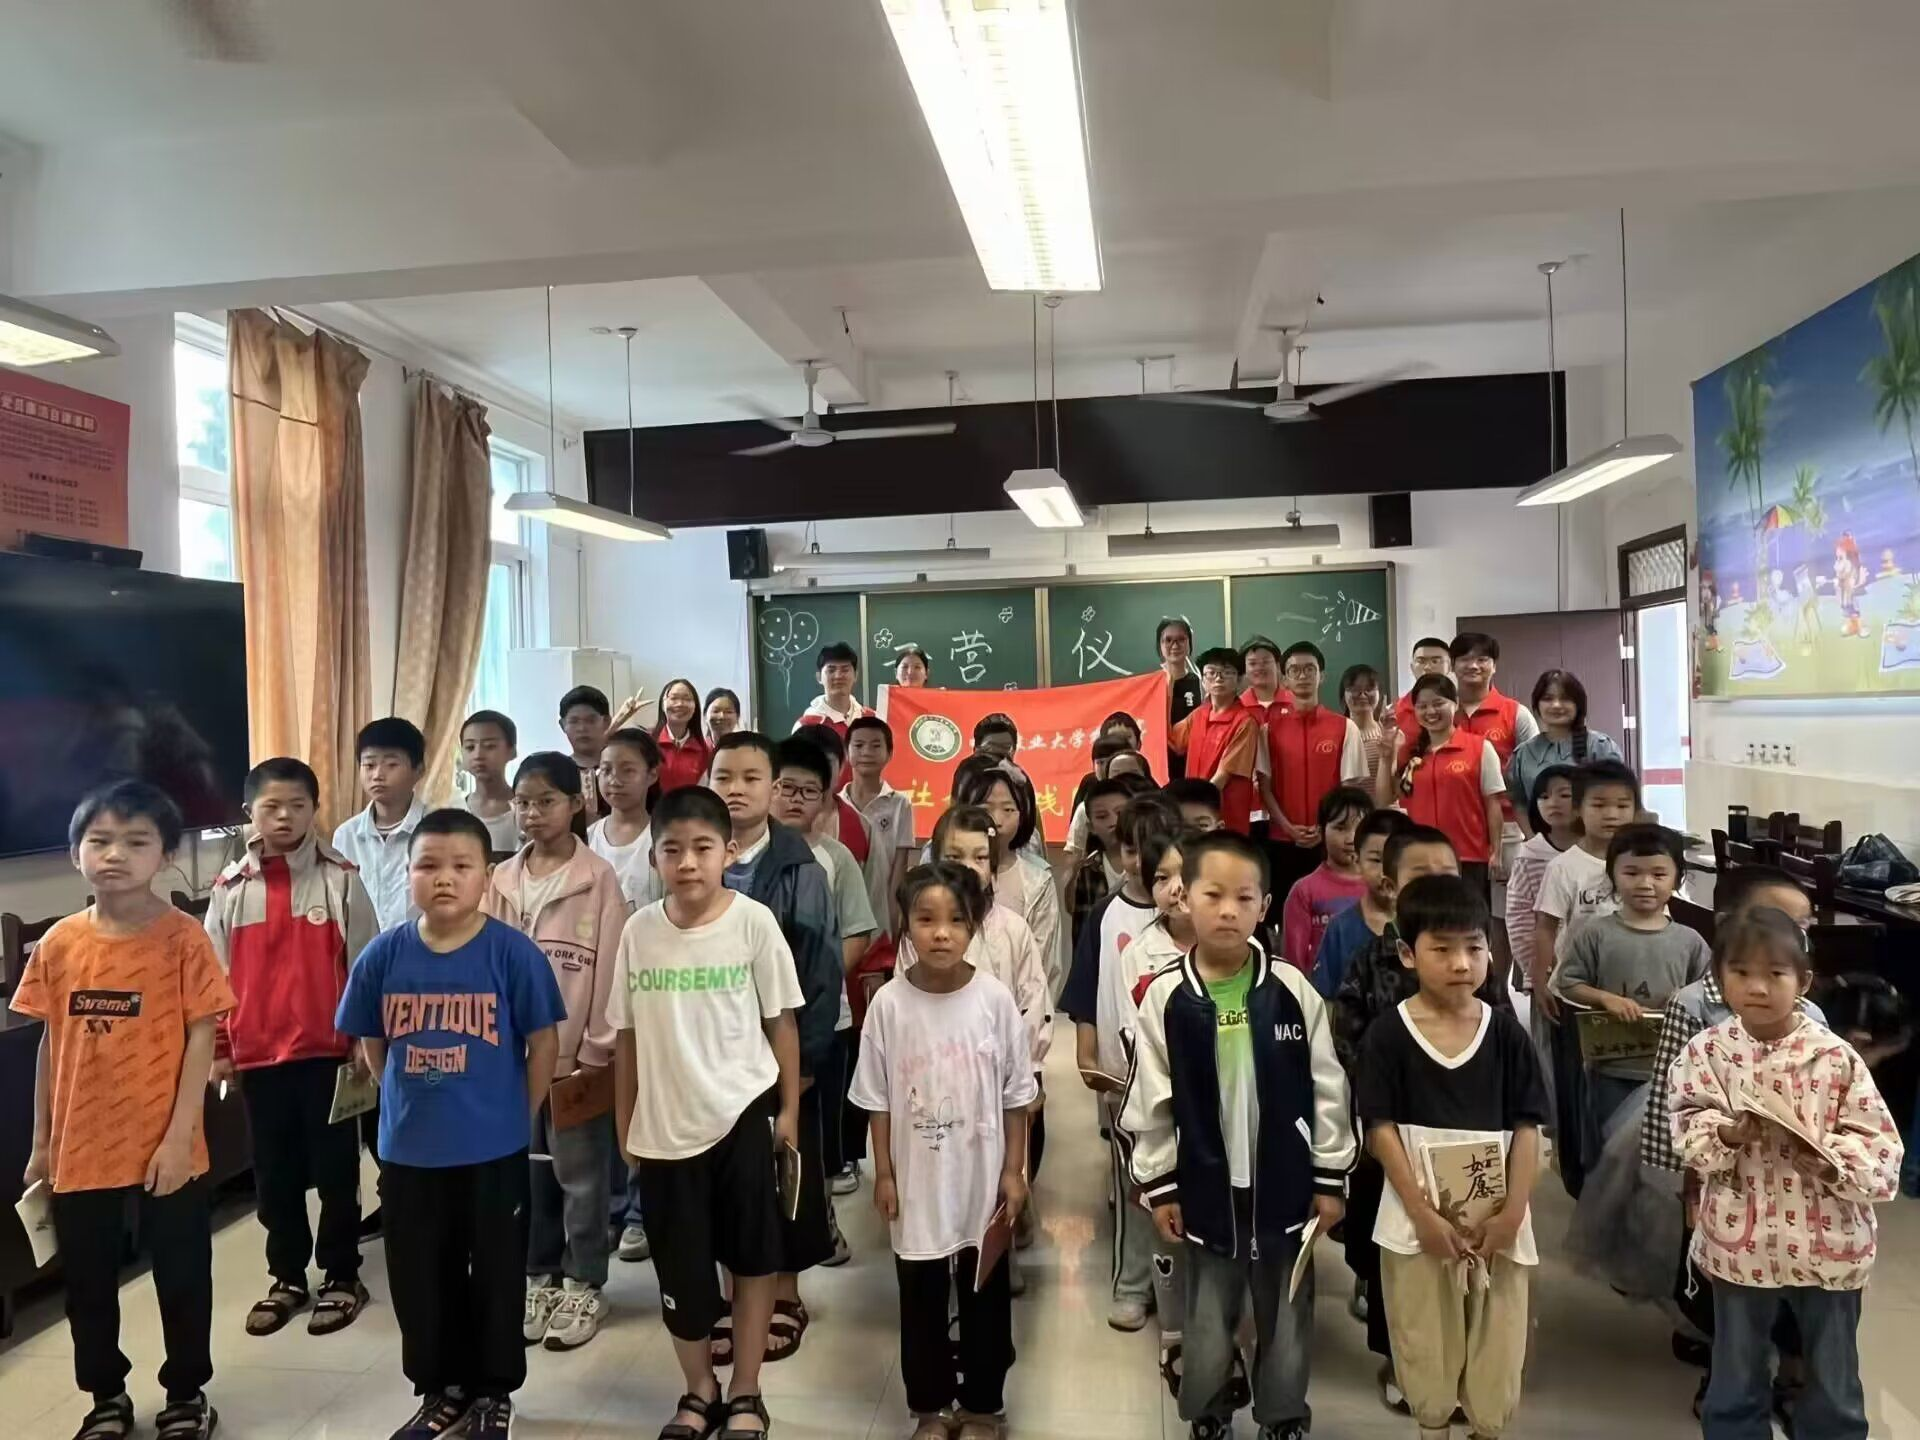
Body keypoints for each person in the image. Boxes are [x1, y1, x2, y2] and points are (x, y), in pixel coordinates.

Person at [334, 808, 566, 1440]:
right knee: (420, 1278)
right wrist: (399, 1100)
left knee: (495, 1273)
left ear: (487, 876)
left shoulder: (512, 954)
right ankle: (442, 1390)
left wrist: (520, 1113)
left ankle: (493, 1392)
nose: (444, 878)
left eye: (462, 866)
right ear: (406, 874)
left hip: (493, 1149)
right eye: (428, 865)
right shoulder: (384, 955)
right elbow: (373, 1043)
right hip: (410, 1152)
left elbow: (543, 1043)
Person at [14, 782, 236, 1440]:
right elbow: (50, 1044)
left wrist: (179, 1137)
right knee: (87, 1283)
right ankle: (105, 1396)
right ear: (74, 853)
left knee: (182, 1274)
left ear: (165, 856)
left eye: (136, 842)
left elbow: (203, 1035)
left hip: (168, 1143)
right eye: (100, 841)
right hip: (81, 1145)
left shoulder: (184, 939)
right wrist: (42, 1143)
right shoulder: (58, 944)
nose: (115, 854)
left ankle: (186, 1394)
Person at [1126, 831, 1354, 1440]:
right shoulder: (1168, 998)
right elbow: (1152, 1100)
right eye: (1213, 895)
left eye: (1244, 898)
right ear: (1184, 898)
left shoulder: (1292, 991)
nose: (1228, 910)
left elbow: (1329, 1088)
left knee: (1287, 1311)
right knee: (1206, 1314)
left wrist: (1328, 1177)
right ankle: (1208, 1409)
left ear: (1265, 905)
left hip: (1285, 1183)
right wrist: (1160, 1185)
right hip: (1205, 1185)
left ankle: (1283, 1415)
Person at [608, 785, 803, 1440]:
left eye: (702, 848)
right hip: (664, 1132)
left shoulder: (753, 923)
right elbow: (626, 1037)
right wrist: (625, 1123)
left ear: (730, 850)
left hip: (742, 1117)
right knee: (682, 1273)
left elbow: (781, 1024)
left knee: (752, 1262)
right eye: (672, 850)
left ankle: (746, 1389)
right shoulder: (639, 932)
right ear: (653, 857)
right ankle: (699, 1388)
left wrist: (789, 1113)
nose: (687, 862)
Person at [1671, 908, 1902, 1440]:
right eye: (1741, 972)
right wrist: (1728, 1133)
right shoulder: (1707, 1053)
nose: (1757, 987)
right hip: (1742, 1242)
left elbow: (1880, 1145)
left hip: (1828, 1240)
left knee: (1833, 1374)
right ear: (1720, 976)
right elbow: (1686, 1128)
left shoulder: (1836, 1058)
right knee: (1737, 1369)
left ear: (1804, 981)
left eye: (1775, 973)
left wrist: (1833, 1160)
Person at [1356, 874, 1549, 1440]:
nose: (1461, 963)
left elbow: (1528, 1127)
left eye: (1474, 947)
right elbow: (1380, 1130)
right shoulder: (1389, 1036)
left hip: (1499, 1224)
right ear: (1407, 954)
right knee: (1425, 1347)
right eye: (1442, 949)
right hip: (1417, 1225)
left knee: (1497, 1352)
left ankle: (1486, 1428)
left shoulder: (1506, 1036)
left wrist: (1512, 1213)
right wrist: (1421, 1214)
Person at [1331, 824, 1513, 1411]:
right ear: (1390, 884)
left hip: (1469, 1137)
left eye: (1446, 872)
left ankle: (1464, 1364)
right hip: (1394, 1136)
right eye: (1419, 873)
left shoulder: (1477, 964)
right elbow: (1347, 1037)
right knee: (1396, 1253)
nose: (1435, 882)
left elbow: (1503, 1039)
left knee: (1465, 1251)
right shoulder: (1371, 959)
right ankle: (1399, 1357)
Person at [851, 863, 1035, 1440]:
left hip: (982, 1180)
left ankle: (982, 1406)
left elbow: (1017, 1096)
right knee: (921, 1298)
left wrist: (1014, 1171)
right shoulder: (889, 1006)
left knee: (985, 1296)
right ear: (905, 924)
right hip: (917, 1183)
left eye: (956, 920)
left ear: (973, 926)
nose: (941, 933)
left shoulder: (994, 1000)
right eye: (926, 919)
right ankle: (930, 1408)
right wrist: (885, 1174)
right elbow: (877, 1101)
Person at [1640, 868, 1822, 1420]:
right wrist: (1683, 1183)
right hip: (1721, 1179)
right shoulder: (1695, 1005)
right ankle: (1725, 1375)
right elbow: (1670, 1100)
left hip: (1794, 1190)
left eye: (1802, 926)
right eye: (1777, 920)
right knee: (1724, 1287)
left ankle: (1792, 1375)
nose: (1790, 934)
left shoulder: (1811, 1015)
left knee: (1794, 1283)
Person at [206, 758, 378, 1340]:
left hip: (328, 1055)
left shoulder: (341, 878)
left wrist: (364, 1041)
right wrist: (221, 1049)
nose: (284, 817)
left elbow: (365, 966)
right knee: (274, 1176)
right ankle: (286, 1276)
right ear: (248, 812)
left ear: (314, 810)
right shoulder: (230, 889)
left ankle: (342, 1274)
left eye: (297, 806)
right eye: (271, 807)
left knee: (336, 1172)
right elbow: (213, 979)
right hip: (257, 1058)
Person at [482, 753, 628, 1352]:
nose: (533, 813)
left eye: (546, 801)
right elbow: (484, 965)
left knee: (582, 1177)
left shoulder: (598, 879)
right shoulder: (500, 879)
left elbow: (610, 969)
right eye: (523, 802)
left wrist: (595, 1049)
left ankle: (584, 1281)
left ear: (576, 803)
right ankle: (539, 1275)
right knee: (528, 1172)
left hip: (573, 1059)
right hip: (512, 1060)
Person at [707, 732, 844, 1360]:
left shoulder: (800, 867)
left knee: (785, 1173)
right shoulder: (697, 855)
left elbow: (821, 972)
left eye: (751, 778)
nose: (736, 789)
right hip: (714, 1055)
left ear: (772, 787)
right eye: (724, 776)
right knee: (726, 1175)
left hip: (782, 1054)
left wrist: (806, 1060)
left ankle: (784, 1293)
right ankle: (734, 1294)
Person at [1064, 794, 1181, 1331]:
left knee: (1181, 1187)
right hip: (1124, 1081)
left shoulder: (1187, 916)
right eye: (1132, 849)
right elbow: (1086, 991)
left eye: (1154, 851)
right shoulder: (1107, 914)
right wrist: (1087, 1053)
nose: (1142, 863)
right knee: (1135, 1184)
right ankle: (1133, 1284)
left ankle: (1178, 1287)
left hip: (1186, 1081)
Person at [771, 736, 877, 1212]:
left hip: (825, 1020)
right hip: (755, 1020)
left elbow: (858, 932)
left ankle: (824, 1218)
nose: (795, 799)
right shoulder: (743, 856)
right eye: (785, 787)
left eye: (808, 791)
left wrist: (821, 977)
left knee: (819, 1129)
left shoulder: (837, 857)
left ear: (825, 799)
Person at [1549, 823, 1707, 1140]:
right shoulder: (1596, 933)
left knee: (1665, 1142)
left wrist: (1686, 998)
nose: (1645, 883)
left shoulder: (1689, 940)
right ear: (1612, 876)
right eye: (1631, 873)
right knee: (1610, 1142)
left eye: (1658, 874)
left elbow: (1711, 991)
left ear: (1678, 878)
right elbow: (1567, 982)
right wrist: (1605, 998)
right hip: (1611, 1064)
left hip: (1673, 1066)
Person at [1531, 758, 1640, 1196]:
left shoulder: (1641, 863)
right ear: (1579, 809)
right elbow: (1545, 926)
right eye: (1600, 805)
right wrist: (1540, 980)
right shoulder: (1565, 867)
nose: (1612, 814)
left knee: (1621, 1087)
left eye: (1622, 805)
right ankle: (1579, 1176)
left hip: (1631, 996)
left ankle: (1621, 1173)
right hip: (1575, 997)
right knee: (1576, 1086)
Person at [1259, 641, 1369, 901]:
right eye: (1294, 670)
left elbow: (1349, 789)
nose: (1303, 676)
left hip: (1329, 841)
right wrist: (1288, 827)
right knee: (1285, 910)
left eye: (1310, 669)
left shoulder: (1345, 727)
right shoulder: (1268, 729)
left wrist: (1325, 826)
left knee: (1332, 909)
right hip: (1282, 840)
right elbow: (1264, 786)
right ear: (1284, 679)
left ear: (1322, 676)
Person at [1381, 675, 1505, 897]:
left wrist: (1496, 850)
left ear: (1455, 704)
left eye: (1438, 703)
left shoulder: (1479, 748)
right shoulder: (1411, 754)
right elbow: (1385, 798)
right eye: (1422, 706)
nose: (1430, 711)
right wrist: (1386, 755)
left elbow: (1493, 803)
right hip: (1420, 859)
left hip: (1468, 858)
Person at [953, 760, 1064, 997]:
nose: (996, 818)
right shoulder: (945, 873)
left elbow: (1044, 960)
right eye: (986, 807)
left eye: (1008, 809)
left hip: (1015, 1005)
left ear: (1023, 815)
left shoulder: (1037, 881)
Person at [333, 716, 429, 933]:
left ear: (419, 770)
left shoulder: (439, 829)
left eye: (391, 765)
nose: (377, 775)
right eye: (369, 765)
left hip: (421, 945)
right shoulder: (346, 835)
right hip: (362, 948)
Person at [1505, 670, 1622, 828]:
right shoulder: (1523, 754)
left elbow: (1618, 799)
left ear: (1578, 704)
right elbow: (1519, 804)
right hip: (1541, 841)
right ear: (1537, 705)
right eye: (1548, 698)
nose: (1556, 705)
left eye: (1565, 698)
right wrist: (1535, 838)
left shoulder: (1600, 747)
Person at [1313, 807, 1408, 1001]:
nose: (1385, 871)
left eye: (1395, 859)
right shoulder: (1340, 928)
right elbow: (1325, 999)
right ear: (1357, 861)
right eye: (1376, 860)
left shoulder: (1428, 924)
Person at [1279, 784, 1371, 978]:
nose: (1351, 839)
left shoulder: (1380, 886)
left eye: (1360, 828)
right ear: (1321, 832)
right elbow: (1293, 962)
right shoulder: (1304, 891)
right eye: (1341, 828)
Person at [1170, 646, 1259, 834]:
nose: (1218, 678)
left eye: (1226, 672)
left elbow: (1223, 776)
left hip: (1225, 814)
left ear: (1239, 680)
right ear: (1203, 681)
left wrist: (1192, 805)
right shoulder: (1198, 715)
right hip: (1194, 814)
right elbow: (1172, 741)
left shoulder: (1245, 722)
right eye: (1211, 673)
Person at [845, 717, 916, 938]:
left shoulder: (900, 804)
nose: (866, 752)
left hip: (881, 916)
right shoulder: (835, 804)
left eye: (876, 746)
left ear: (889, 753)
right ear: (847, 752)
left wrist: (893, 920)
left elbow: (899, 868)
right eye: (858, 745)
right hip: (842, 912)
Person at [589, 727, 661, 903]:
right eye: (606, 770)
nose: (614, 781)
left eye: (627, 771)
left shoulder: (661, 838)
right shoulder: (588, 838)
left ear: (652, 775)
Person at [1067, 776, 1134, 950]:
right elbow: (1081, 932)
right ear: (1091, 827)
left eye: (1120, 813)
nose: (1113, 822)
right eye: (1102, 816)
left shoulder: (1150, 861)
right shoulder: (1088, 870)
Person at [459, 710, 521, 855]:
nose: (478, 755)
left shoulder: (524, 810)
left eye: (489, 746)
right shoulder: (456, 808)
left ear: (512, 751)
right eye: (470, 747)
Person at [1340, 663, 1397, 800]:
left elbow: (1395, 789)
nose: (1362, 695)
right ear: (1343, 696)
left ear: (1380, 695)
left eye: (1369, 689)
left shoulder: (1391, 735)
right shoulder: (1335, 735)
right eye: (1354, 689)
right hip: (1350, 810)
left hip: (1386, 811)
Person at [795, 641, 872, 739]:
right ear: (819, 677)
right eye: (831, 670)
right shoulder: (807, 725)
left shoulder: (872, 719)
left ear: (855, 675)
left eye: (845, 670)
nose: (838, 676)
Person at [559, 685, 613, 821]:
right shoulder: (557, 773)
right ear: (562, 725)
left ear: (606, 721)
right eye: (574, 721)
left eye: (591, 720)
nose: (582, 728)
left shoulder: (620, 769)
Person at [1158, 618, 1204, 775]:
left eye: (1181, 639)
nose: (1175, 645)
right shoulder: (1153, 685)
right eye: (1168, 640)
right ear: (1160, 645)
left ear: (1189, 643)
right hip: (1161, 763)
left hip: (1194, 761)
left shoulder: (1201, 684)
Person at [653, 677, 713, 795]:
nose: (680, 704)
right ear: (662, 704)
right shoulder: (647, 743)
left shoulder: (704, 751)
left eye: (687, 699)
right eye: (673, 698)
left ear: (695, 707)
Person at [1391, 637, 1453, 741]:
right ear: (1412, 667)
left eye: (1435, 661)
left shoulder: (1464, 709)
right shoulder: (1395, 712)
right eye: (1421, 661)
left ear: (1450, 666)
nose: (1427, 667)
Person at [1238, 636, 1284, 723]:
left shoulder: (1296, 704)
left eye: (1266, 661)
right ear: (1245, 669)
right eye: (1252, 663)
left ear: (1278, 665)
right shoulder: (1238, 707)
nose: (1259, 667)